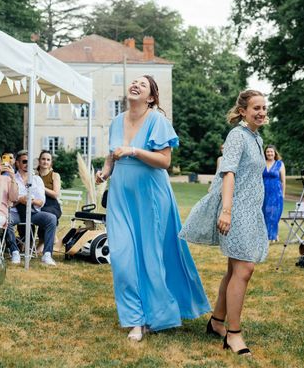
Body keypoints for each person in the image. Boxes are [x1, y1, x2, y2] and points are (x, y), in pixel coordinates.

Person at [96, 75, 210, 342]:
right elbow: (112, 155)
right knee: (123, 257)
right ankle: (135, 318)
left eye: (143, 84)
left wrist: (134, 151)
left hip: (152, 198)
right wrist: (105, 172)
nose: (135, 84)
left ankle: (150, 317)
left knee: (152, 257)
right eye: (133, 81)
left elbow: (164, 161)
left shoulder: (158, 121)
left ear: (150, 97)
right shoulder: (115, 121)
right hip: (121, 197)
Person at [181, 89, 269, 356]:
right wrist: (227, 210)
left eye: (264, 108)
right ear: (242, 111)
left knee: (235, 270)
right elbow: (228, 172)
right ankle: (233, 334)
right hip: (236, 210)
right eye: (256, 108)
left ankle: (217, 322)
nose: (262, 112)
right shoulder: (237, 136)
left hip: (251, 211)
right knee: (244, 269)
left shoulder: (256, 137)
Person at [6, 150, 57, 266]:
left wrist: (31, 200)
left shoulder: (37, 179)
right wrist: (20, 199)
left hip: (33, 212)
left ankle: (47, 254)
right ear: (17, 163)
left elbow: (41, 202)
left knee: (52, 219)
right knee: (5, 219)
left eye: (29, 162)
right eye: (24, 161)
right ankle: (14, 251)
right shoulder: (10, 179)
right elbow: (8, 201)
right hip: (16, 212)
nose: (27, 164)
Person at [262, 145, 286, 242]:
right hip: (264, 192)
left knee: (274, 213)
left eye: (271, 152)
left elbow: (283, 181)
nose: (269, 153)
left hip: (276, 192)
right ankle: (266, 235)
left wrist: (283, 194)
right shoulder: (262, 163)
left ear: (275, 153)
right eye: (268, 152)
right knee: (264, 213)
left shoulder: (280, 164)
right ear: (265, 153)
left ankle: (274, 235)